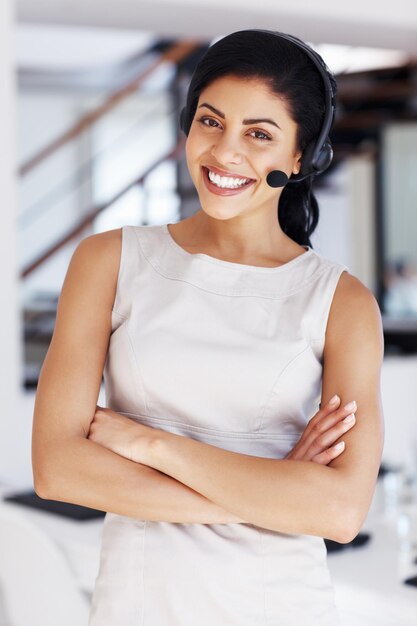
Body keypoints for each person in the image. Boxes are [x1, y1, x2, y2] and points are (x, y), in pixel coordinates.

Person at [32, 29, 384, 625]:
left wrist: (149, 445)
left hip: (280, 605)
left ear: (299, 158)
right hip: (136, 605)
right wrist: (274, 494)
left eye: (259, 134)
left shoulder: (342, 302)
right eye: (211, 121)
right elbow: (56, 468)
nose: (225, 153)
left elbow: (339, 513)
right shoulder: (108, 262)